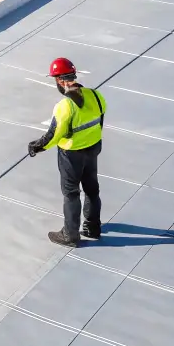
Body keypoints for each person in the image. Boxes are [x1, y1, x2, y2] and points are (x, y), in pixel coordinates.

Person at [27, 57, 105, 247]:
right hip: (93, 148)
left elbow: (54, 134)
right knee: (92, 189)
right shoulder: (95, 95)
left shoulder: (65, 106)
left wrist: (37, 146)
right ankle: (92, 228)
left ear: (61, 81)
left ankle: (70, 235)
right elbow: (100, 120)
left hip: (71, 154)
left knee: (71, 194)